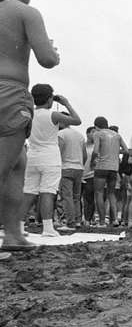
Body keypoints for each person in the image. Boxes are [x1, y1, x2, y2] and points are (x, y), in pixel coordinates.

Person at [0, 0, 60, 255]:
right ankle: (10, 235)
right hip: (9, 92)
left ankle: (13, 234)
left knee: (18, 164)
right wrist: (54, 51)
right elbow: (46, 58)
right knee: (4, 164)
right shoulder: (24, 11)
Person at [19, 84, 80, 237]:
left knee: (28, 192)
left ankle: (18, 226)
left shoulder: (28, 114)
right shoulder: (53, 115)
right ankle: (47, 228)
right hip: (50, 158)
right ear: (49, 99)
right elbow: (77, 120)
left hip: (32, 156)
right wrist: (66, 103)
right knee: (48, 192)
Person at [91, 116, 127, 227]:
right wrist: (115, 152)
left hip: (101, 166)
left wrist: (92, 161)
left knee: (99, 193)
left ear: (96, 126)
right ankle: (115, 219)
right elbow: (126, 150)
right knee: (111, 193)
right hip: (114, 168)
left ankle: (102, 221)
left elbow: (96, 150)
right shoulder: (117, 135)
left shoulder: (98, 134)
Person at [58, 110, 87, 230]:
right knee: (76, 197)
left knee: (67, 196)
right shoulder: (80, 135)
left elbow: (58, 152)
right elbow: (84, 155)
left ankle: (70, 222)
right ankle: (78, 220)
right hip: (79, 168)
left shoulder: (60, 134)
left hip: (66, 167)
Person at [81, 127, 96, 226]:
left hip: (91, 175)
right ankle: (78, 218)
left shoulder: (97, 146)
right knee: (77, 198)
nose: (95, 135)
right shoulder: (82, 145)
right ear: (87, 134)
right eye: (93, 132)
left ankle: (88, 219)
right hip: (80, 174)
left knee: (89, 198)